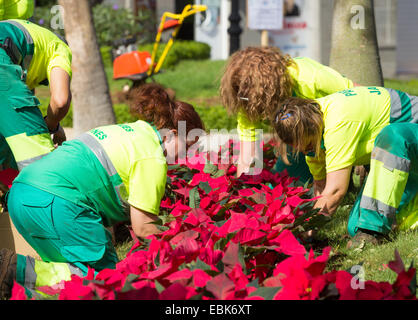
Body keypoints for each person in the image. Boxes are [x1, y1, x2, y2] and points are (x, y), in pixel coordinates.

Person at [0, 83, 204, 299]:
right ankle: (14, 271)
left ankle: (13, 271)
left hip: (22, 196)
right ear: (172, 135)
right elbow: (144, 227)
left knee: (67, 273)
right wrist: (181, 248)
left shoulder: (134, 130)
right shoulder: (152, 155)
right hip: (54, 202)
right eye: (188, 146)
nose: (186, 156)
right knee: (104, 281)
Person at [271, 86, 418, 244]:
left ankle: (375, 230)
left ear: (312, 129)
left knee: (392, 136)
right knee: (356, 227)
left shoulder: (338, 121)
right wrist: (310, 231)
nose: (304, 151)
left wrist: (304, 231)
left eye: (306, 146)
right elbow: (322, 187)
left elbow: (335, 190)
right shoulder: (312, 125)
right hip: (402, 160)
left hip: (408, 140)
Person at [220, 46, 360, 182]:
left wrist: (358, 152)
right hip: (303, 141)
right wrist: (244, 194)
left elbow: (357, 95)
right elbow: (248, 156)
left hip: (341, 131)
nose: (245, 100)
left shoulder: (309, 77)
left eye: (253, 97)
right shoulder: (247, 100)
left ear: (268, 88)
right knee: (281, 184)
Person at [0, 18, 72, 172]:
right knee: (40, 163)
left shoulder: (29, 33)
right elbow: (60, 101)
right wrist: (52, 125)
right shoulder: (59, 47)